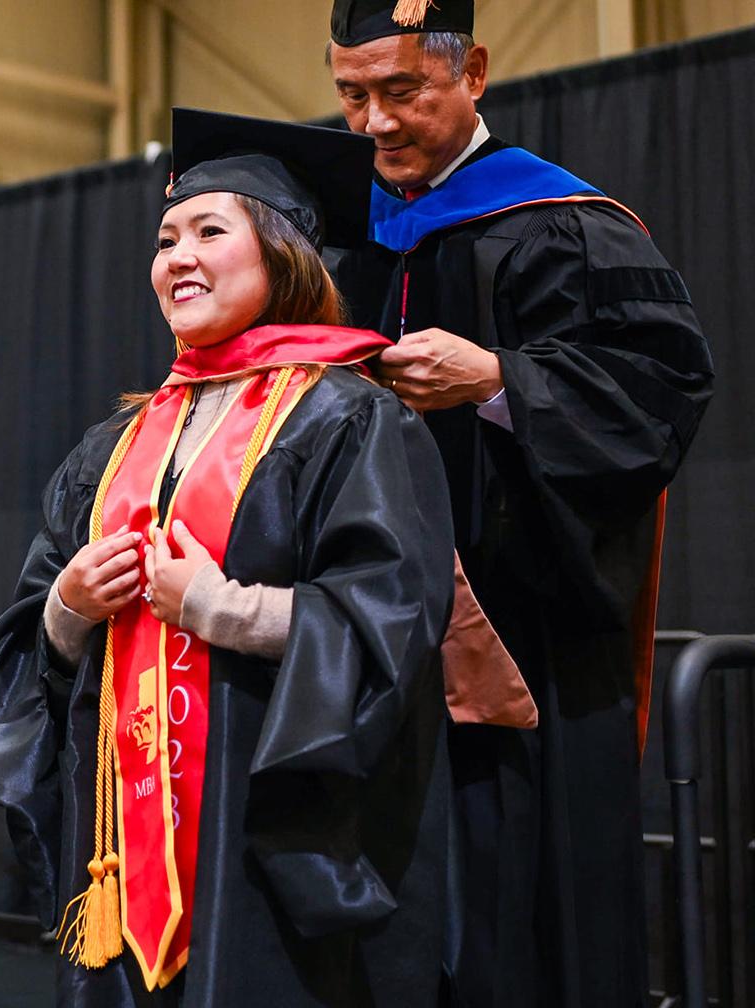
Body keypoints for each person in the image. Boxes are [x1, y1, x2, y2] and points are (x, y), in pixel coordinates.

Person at [0, 110, 457, 1006]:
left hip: (259, 819)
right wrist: (68, 605)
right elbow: (29, 639)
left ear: (282, 253)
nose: (177, 257)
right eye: (164, 238)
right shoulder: (115, 441)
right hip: (121, 832)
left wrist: (218, 607)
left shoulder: (348, 415)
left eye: (209, 231)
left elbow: (394, 620)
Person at [325, 2, 714, 1004]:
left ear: (475, 73)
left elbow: (660, 391)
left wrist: (500, 378)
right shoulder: (343, 238)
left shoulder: (565, 224)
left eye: (402, 91)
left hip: (525, 638)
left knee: (522, 922)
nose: (375, 123)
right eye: (352, 95)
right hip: (372, 642)